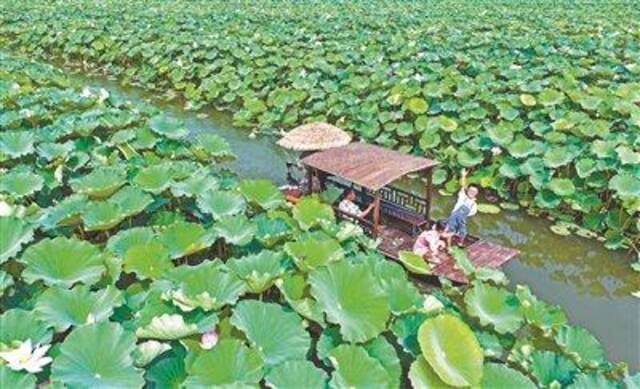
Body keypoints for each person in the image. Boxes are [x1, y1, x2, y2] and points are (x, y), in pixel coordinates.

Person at [444, 169, 478, 247]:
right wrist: (463, 176)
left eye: (474, 192)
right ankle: (448, 246)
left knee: (463, 232)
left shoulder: (474, 204)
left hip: (462, 218)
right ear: (468, 190)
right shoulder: (462, 196)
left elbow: (471, 213)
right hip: (454, 216)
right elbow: (463, 186)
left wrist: (463, 216)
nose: (472, 193)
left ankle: (460, 243)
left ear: (476, 194)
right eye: (470, 191)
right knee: (450, 230)